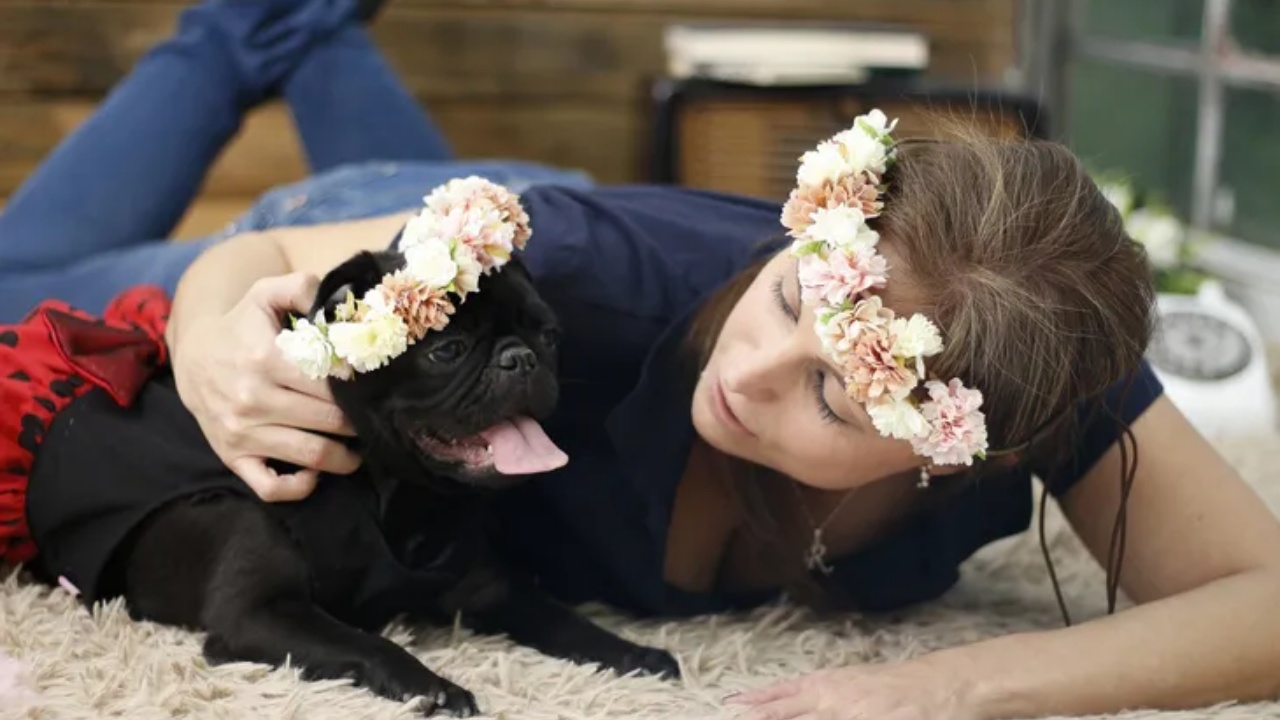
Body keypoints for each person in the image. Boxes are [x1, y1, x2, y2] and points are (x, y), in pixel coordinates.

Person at [2, 2, 1279, 719]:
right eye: (786, 300)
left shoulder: (1031, 363)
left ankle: (300, 30)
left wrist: (958, 686)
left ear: (967, 437)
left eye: (835, 388)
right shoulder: (595, 269)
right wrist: (219, 338)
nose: (750, 367)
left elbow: (1264, 605)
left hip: (518, 226)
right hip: (470, 243)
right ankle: (240, 31)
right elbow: (245, 276)